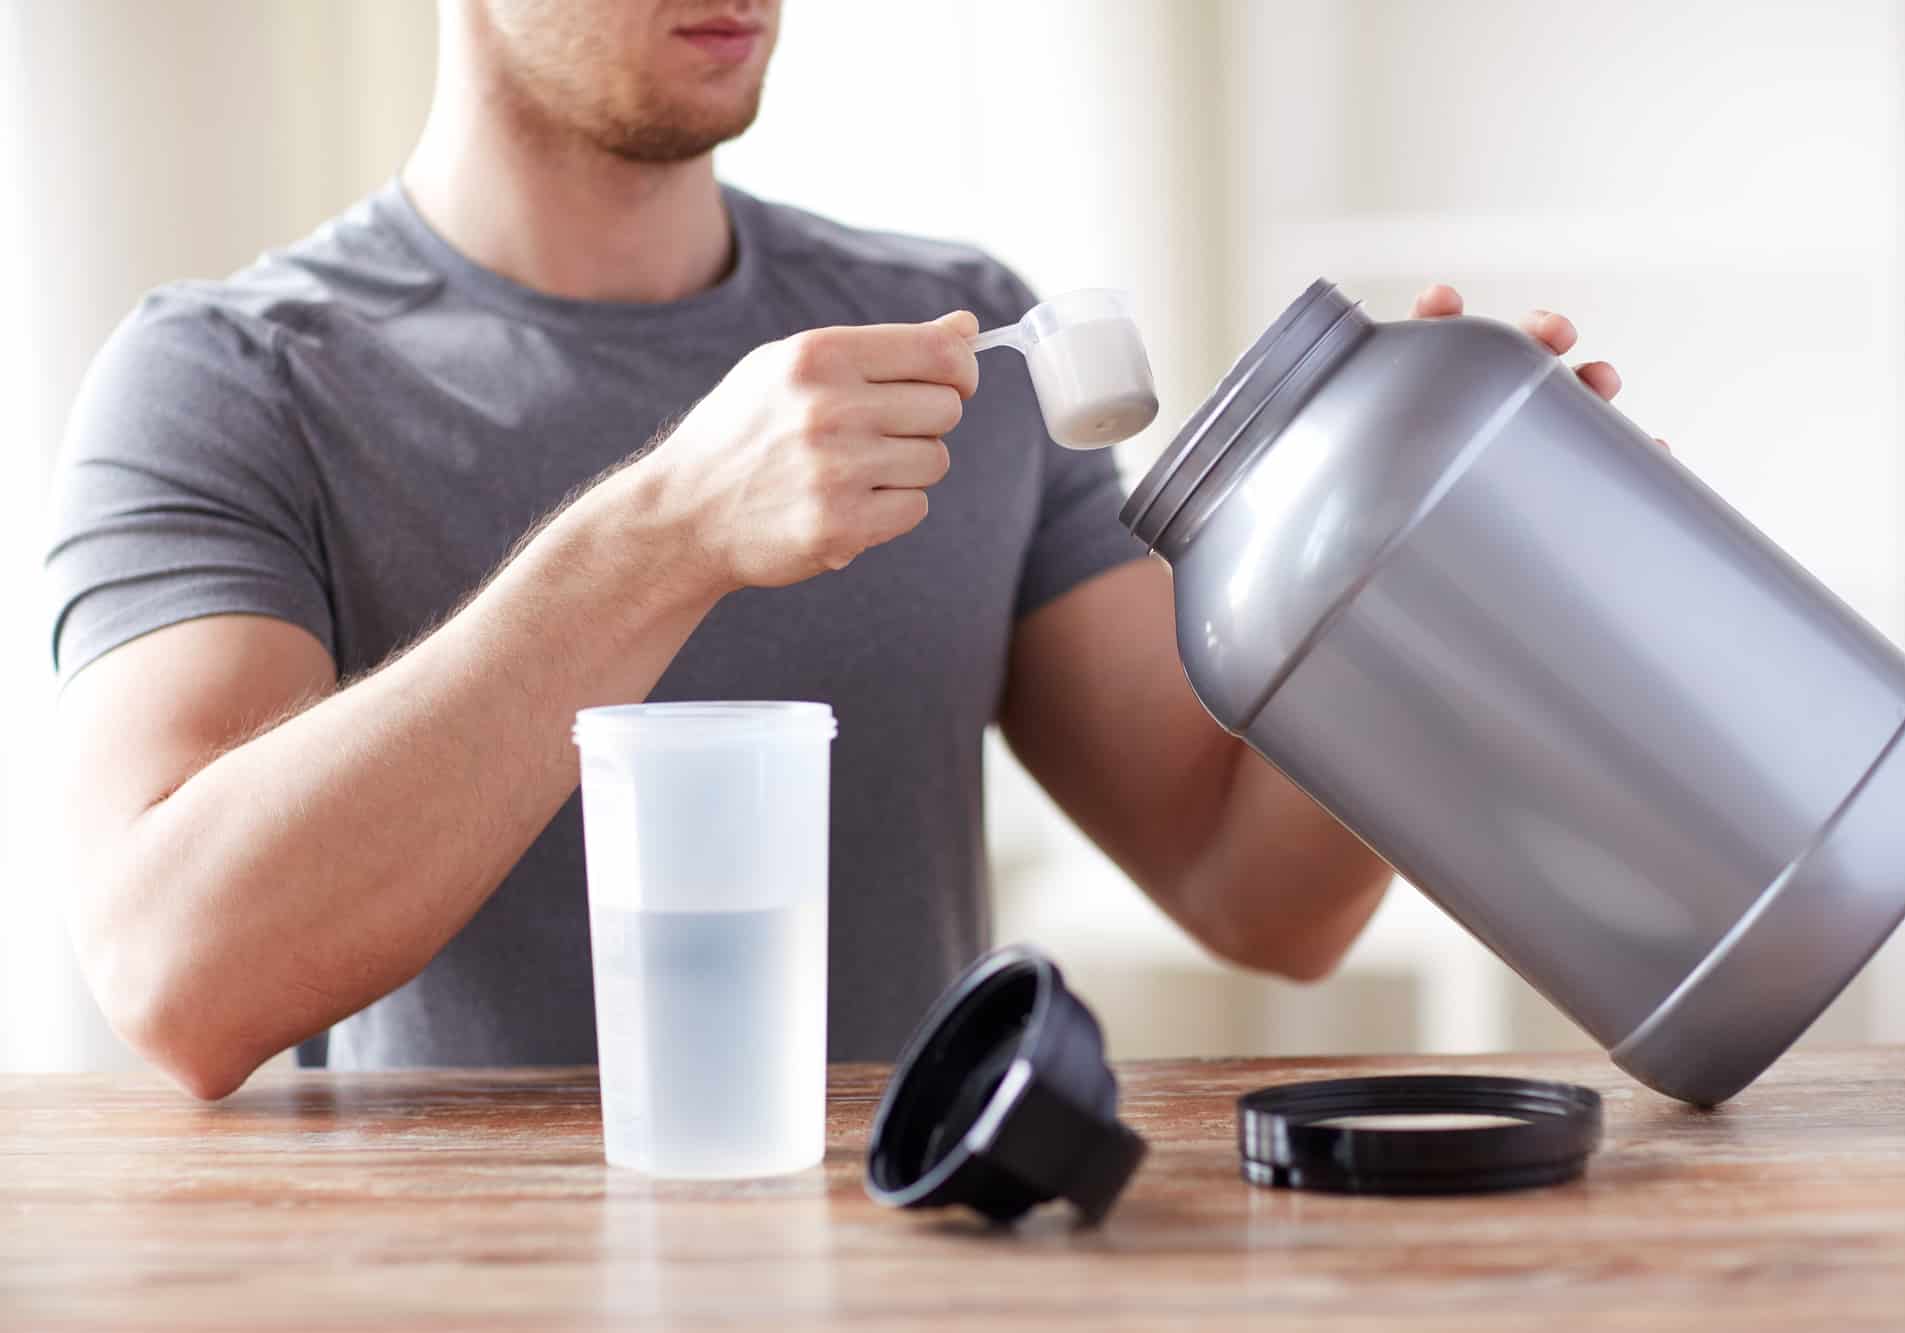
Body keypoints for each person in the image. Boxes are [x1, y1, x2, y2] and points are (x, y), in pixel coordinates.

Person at [45, 0, 1636, 1100]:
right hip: (455, 1293)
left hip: (911, 1262)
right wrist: (664, 535)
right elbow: (181, 977)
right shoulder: (230, 379)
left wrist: (1408, 594)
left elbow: (1260, 893)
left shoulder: (960, 337)